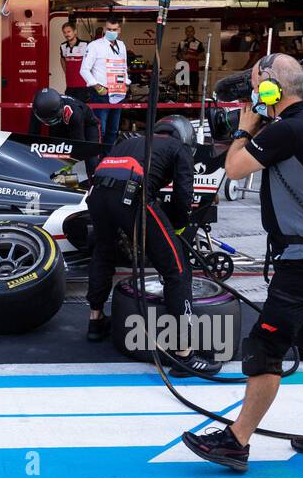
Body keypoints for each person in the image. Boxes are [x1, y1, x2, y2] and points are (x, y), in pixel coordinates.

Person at [182, 53, 303, 471]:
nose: (251, 94)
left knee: (265, 345)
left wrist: (246, 129)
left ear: (271, 89)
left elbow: (233, 167)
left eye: (255, 86)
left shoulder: (289, 130)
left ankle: (236, 441)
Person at [86, 115, 222, 375]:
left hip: (97, 194)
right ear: (184, 137)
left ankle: (95, 321)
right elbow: (184, 197)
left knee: (103, 253)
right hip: (131, 195)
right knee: (177, 270)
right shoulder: (179, 148)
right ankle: (184, 354)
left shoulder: (132, 141)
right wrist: (178, 229)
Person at [29, 87, 101, 178]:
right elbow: (32, 136)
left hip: (86, 125)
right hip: (60, 125)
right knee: (55, 154)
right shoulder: (37, 109)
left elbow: (79, 145)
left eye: (52, 119)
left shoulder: (74, 112)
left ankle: (89, 183)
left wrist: (79, 173)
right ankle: (58, 181)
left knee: (90, 160)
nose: (51, 122)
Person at [80, 17, 129, 149]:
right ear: (104, 29)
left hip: (118, 92)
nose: (111, 32)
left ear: (119, 30)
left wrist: (127, 82)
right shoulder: (94, 46)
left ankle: (107, 159)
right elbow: (84, 70)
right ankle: (96, 160)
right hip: (101, 93)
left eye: (114, 29)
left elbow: (124, 67)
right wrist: (97, 86)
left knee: (113, 130)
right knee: (99, 130)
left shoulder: (122, 45)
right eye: (109, 29)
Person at [59, 21, 89, 102]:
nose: (66, 34)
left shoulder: (86, 44)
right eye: (64, 32)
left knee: (80, 109)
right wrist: (66, 71)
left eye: (69, 31)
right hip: (69, 85)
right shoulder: (63, 46)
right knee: (70, 108)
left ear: (75, 31)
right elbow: (62, 59)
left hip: (83, 85)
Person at [175, 25, 205, 97]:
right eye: (188, 31)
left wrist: (191, 56)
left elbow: (203, 57)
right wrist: (183, 52)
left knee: (194, 90)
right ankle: (183, 106)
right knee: (182, 90)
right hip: (183, 70)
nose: (189, 33)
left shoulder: (198, 43)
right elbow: (178, 56)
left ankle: (195, 107)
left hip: (193, 70)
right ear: (185, 32)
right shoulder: (182, 43)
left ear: (194, 32)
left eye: (191, 31)